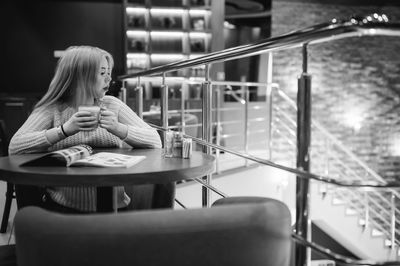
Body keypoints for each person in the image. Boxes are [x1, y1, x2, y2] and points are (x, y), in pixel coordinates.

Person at [8, 45, 162, 213]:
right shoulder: (53, 109)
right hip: (63, 209)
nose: (109, 79)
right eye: (102, 73)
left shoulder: (112, 104)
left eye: (109, 72)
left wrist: (119, 128)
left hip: (116, 207)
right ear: (81, 77)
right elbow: (15, 146)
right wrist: (64, 130)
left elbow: (155, 140)